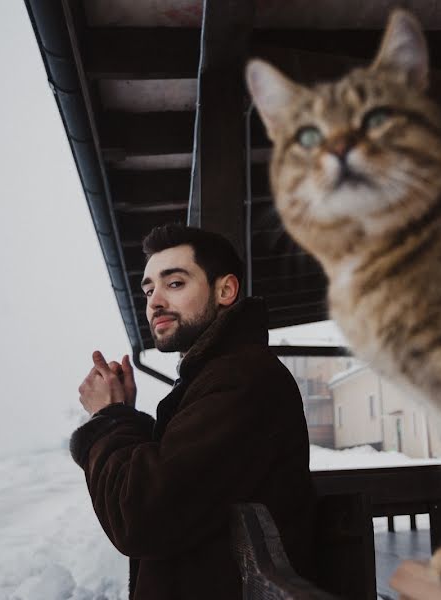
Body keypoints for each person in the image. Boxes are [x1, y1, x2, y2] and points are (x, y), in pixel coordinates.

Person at [70, 224, 315, 599]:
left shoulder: (242, 379)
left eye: (175, 283)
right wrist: (123, 417)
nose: (153, 302)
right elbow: (178, 475)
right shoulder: (218, 376)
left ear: (225, 290)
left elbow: (142, 518)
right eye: (149, 289)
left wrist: (109, 419)